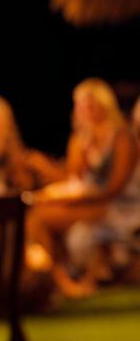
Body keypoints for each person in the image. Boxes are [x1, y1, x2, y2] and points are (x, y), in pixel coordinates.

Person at [28, 79, 140, 296]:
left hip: (118, 206)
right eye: (80, 104)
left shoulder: (122, 137)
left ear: (103, 104)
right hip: (92, 202)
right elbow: (73, 179)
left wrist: (70, 198)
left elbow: (114, 188)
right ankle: (58, 279)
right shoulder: (80, 139)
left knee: (39, 218)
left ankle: (59, 283)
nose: (84, 109)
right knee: (36, 215)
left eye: (89, 103)